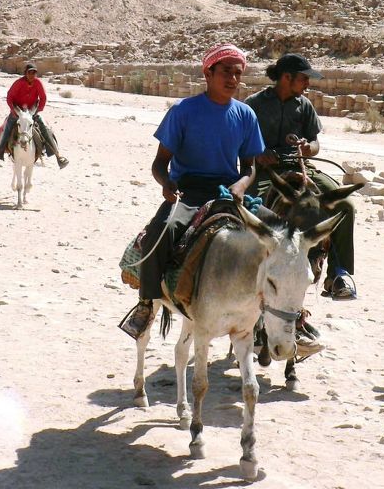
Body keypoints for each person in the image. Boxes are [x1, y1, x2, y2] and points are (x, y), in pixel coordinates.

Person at [120, 43, 265, 340]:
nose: (233, 79)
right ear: (208, 73)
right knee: (162, 231)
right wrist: (167, 185)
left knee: (282, 233)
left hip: (229, 193)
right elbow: (160, 163)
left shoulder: (246, 115)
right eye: (226, 72)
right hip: (188, 191)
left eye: (238, 74)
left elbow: (249, 167)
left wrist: (239, 186)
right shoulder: (183, 111)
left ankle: (290, 316)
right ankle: (146, 303)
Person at [245, 53, 357, 300]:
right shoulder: (254, 104)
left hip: (302, 166)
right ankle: (245, 269)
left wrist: (308, 149)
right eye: (304, 78)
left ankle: (339, 274)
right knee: (249, 208)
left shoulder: (304, 105)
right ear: (286, 77)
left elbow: (316, 143)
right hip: (266, 172)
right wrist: (259, 153)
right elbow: (240, 142)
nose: (308, 84)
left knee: (345, 205)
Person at [0, 63, 68, 172]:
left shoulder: (38, 83)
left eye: (34, 73)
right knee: (5, 131)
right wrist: (14, 111)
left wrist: (38, 110)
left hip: (32, 111)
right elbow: (9, 97)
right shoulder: (19, 83)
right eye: (30, 72)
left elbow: (43, 97)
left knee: (46, 129)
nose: (32, 75)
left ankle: (58, 157)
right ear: (25, 73)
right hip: (17, 112)